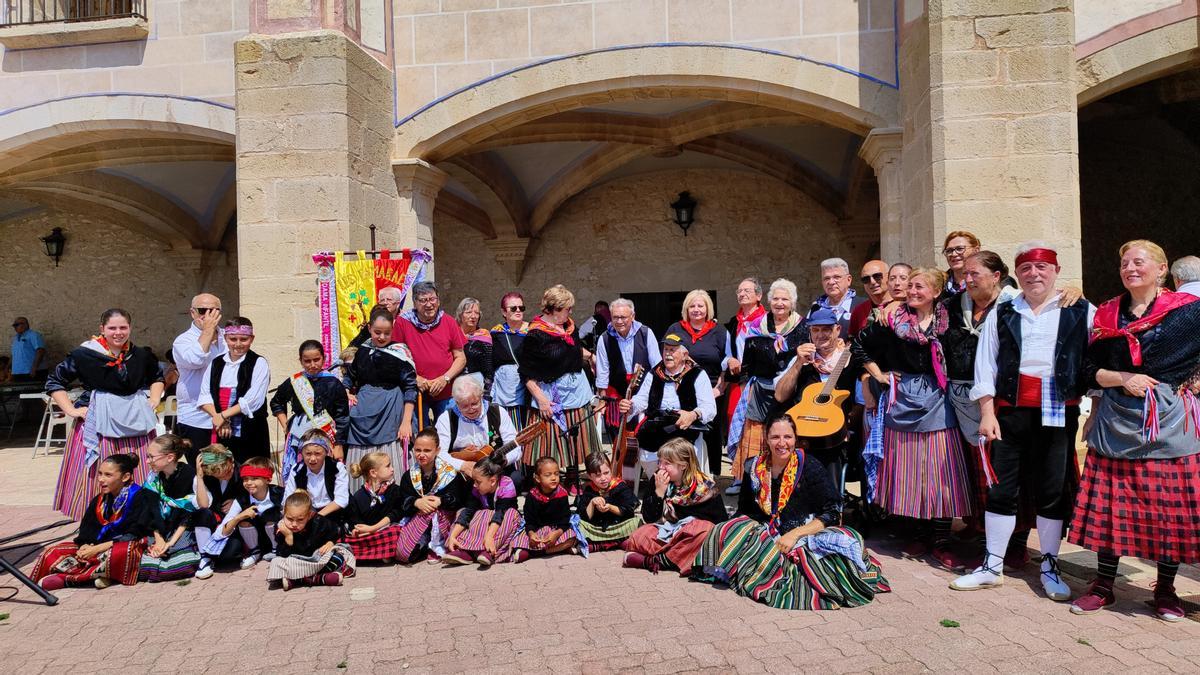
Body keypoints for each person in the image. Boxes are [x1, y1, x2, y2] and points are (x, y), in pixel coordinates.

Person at [950, 242, 1093, 601]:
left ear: (1055, 272)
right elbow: (987, 363)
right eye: (1027, 269)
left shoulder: (1079, 309)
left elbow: (1094, 359)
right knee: (1001, 487)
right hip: (1011, 411)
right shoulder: (1005, 311)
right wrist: (986, 412)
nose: (1034, 274)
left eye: (1042, 268)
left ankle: (1049, 566)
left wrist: (1097, 410)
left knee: (1051, 490)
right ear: (1018, 274)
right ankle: (992, 566)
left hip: (1059, 411)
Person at [1068, 240, 1200, 621]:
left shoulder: (1188, 312)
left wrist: (1193, 379)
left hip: (1170, 420)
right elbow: (1086, 370)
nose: (1130, 268)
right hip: (1116, 420)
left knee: (1169, 512)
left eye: (1139, 262)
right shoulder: (1107, 314)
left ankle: (1166, 589)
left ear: (1162, 271)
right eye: (1124, 262)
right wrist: (1121, 377)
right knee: (1112, 511)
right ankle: (1103, 586)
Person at [696, 415, 890, 610]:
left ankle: (767, 567)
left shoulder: (809, 466)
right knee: (725, 529)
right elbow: (745, 510)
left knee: (844, 543)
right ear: (766, 438)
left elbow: (831, 513)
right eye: (775, 437)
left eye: (787, 437)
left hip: (804, 533)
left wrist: (794, 534)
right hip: (765, 532)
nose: (782, 443)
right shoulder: (754, 467)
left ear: (795, 438)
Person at [853, 268, 973, 569]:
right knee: (909, 470)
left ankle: (942, 538)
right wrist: (878, 374)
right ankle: (918, 532)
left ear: (935, 292)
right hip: (902, 398)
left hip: (939, 397)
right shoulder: (891, 320)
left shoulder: (950, 320)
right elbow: (858, 345)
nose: (913, 291)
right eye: (911, 286)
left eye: (920, 287)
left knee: (941, 471)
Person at [49, 308, 165, 521]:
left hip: (135, 423)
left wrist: (154, 399)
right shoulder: (85, 355)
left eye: (123, 327)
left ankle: (139, 519)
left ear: (130, 328)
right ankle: (98, 521)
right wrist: (71, 410)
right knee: (101, 473)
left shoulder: (140, 355)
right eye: (112, 328)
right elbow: (55, 381)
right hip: (99, 424)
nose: (118, 333)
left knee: (137, 470)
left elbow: (157, 377)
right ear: (102, 329)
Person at [726, 278, 808, 494]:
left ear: (793, 302)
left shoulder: (803, 326)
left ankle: (785, 486)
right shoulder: (757, 327)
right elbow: (747, 361)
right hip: (760, 390)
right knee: (758, 440)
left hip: (790, 392)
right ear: (770, 301)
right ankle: (753, 486)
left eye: (785, 299)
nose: (780, 303)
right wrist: (745, 388)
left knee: (784, 436)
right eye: (776, 299)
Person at [34, 453, 161, 590]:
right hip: (97, 547)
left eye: (108, 475)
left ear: (126, 477)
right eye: (100, 474)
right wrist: (84, 545)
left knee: (123, 552)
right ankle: (96, 574)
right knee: (53, 551)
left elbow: (135, 533)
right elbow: (87, 529)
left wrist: (98, 548)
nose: (101, 479)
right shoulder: (100, 500)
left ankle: (68, 579)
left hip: (122, 544)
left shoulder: (142, 497)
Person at [520, 285, 603, 492]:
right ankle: (551, 482)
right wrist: (541, 399)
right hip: (552, 394)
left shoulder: (568, 328)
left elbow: (571, 351)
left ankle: (573, 478)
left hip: (577, 392)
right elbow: (527, 374)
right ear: (553, 309)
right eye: (567, 309)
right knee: (553, 442)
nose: (570, 313)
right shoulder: (535, 335)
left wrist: (590, 357)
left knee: (579, 439)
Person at [773, 308, 864, 490]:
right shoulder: (802, 359)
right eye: (815, 330)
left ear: (838, 329)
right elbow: (780, 395)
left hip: (837, 436)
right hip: (801, 432)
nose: (820, 335)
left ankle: (828, 509)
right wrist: (798, 363)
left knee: (830, 451)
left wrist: (847, 426)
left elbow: (861, 402)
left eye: (826, 329)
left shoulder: (850, 359)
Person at [622, 438, 728, 574]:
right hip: (668, 533)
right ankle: (670, 556)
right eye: (660, 461)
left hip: (691, 538)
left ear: (683, 465)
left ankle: (655, 561)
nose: (661, 467)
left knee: (704, 530)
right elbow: (649, 518)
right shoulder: (657, 480)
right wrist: (659, 493)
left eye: (667, 463)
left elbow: (719, 525)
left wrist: (687, 527)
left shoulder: (705, 488)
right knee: (640, 534)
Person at [624, 331, 718, 476]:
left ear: (684, 355)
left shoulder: (697, 374)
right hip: (657, 426)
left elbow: (709, 407)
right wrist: (631, 406)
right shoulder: (655, 373)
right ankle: (658, 484)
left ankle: (681, 488)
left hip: (684, 426)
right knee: (647, 453)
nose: (667, 354)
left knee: (680, 457)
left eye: (672, 350)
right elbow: (641, 400)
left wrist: (693, 414)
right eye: (666, 349)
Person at [345, 307, 418, 490]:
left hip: (390, 407)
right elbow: (349, 376)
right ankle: (359, 495)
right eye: (377, 332)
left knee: (389, 449)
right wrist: (346, 391)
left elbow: (410, 388)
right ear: (369, 328)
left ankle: (392, 498)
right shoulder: (362, 350)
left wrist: (406, 421)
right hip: (363, 408)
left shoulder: (400, 353)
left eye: (387, 333)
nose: (382, 337)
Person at [666, 289, 729, 476]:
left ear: (708, 308)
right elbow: (667, 357)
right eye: (692, 306)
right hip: (681, 389)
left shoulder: (719, 331)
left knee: (711, 435)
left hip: (712, 390)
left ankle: (711, 476)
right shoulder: (675, 329)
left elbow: (727, 362)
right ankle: (683, 474)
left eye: (700, 305)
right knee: (684, 434)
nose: (696, 309)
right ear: (686, 308)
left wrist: (719, 389)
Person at [196, 317, 271, 463]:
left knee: (249, 470)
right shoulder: (216, 363)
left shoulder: (258, 363)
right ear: (225, 338)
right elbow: (205, 396)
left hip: (250, 430)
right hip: (220, 428)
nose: (238, 344)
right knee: (219, 470)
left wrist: (223, 416)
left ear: (252, 339)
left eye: (243, 339)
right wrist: (220, 419)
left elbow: (253, 399)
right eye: (233, 339)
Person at [392, 281, 467, 428]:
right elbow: (395, 359)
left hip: (446, 392)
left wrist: (444, 379)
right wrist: (415, 378)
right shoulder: (402, 323)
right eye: (423, 300)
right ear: (414, 302)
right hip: (416, 392)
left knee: (449, 433)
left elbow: (461, 357)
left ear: (438, 300)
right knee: (421, 436)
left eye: (432, 299)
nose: (428, 304)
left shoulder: (449, 321)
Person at [271, 340, 350, 478]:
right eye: (307, 361)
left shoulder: (333, 383)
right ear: (301, 361)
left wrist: (338, 444)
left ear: (324, 358)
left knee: (325, 475)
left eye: (316, 360)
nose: (312, 365)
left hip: (326, 435)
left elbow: (342, 416)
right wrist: (285, 425)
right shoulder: (295, 381)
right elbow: (276, 402)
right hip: (299, 435)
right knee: (300, 474)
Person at [195, 456, 282, 576]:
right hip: (255, 540)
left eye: (255, 478)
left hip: (278, 538)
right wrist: (239, 517)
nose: (249, 483)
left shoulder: (280, 494)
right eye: (245, 479)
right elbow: (222, 531)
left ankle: (276, 550)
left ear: (267, 479)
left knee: (271, 516)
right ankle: (254, 552)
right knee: (243, 522)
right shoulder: (241, 499)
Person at [395, 429, 470, 564]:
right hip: (420, 518)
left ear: (437, 450)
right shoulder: (409, 476)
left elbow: (459, 499)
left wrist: (441, 501)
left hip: (445, 520)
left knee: (434, 513)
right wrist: (416, 502)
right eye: (418, 450)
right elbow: (402, 502)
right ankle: (422, 543)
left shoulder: (450, 473)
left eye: (427, 450)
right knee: (403, 553)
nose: (421, 455)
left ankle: (437, 546)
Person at [595, 298, 660, 446]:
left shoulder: (646, 333)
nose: (619, 321)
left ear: (633, 316)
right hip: (616, 394)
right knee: (618, 440)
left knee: (643, 438)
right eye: (615, 317)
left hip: (643, 392)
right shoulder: (604, 339)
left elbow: (657, 366)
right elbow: (602, 373)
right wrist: (602, 400)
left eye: (623, 317)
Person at [172, 293, 226, 463]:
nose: (208, 316)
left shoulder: (228, 337)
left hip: (227, 417)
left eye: (213, 311)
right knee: (205, 467)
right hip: (197, 419)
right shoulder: (183, 341)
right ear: (192, 313)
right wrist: (208, 331)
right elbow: (195, 359)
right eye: (203, 310)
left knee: (227, 469)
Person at [138, 434, 201, 582]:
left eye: (151, 457)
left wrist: (170, 543)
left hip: (182, 528)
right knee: (144, 559)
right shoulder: (153, 477)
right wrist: (159, 539)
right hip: (158, 527)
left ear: (170, 457)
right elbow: (151, 510)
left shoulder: (189, 476)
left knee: (184, 562)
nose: (147, 461)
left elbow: (188, 515)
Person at [434, 377, 522, 479]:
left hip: (495, 469)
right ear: (456, 403)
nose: (470, 409)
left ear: (481, 397)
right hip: (462, 472)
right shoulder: (446, 418)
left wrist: (503, 460)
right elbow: (439, 453)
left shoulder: (498, 412)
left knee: (515, 478)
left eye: (474, 404)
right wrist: (463, 465)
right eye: (464, 406)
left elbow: (515, 448)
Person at [266, 490, 355, 590]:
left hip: (318, 560)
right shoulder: (281, 527)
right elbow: (283, 554)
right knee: (276, 562)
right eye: (290, 519)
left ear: (309, 515)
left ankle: (298, 580)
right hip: (296, 562)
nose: (294, 524)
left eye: (300, 520)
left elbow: (337, 531)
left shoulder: (318, 520)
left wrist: (330, 542)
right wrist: (288, 537)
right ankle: (319, 578)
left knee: (341, 554)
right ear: (284, 514)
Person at [443, 455, 522, 567]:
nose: (474, 485)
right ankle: (465, 550)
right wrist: (453, 535)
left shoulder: (507, 485)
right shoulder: (476, 488)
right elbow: (468, 511)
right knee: (463, 512)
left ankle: (489, 552)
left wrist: (489, 537)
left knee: (510, 514)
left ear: (493, 481)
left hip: (502, 524)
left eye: (478, 482)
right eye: (474, 481)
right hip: (485, 524)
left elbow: (500, 513)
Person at [512, 457, 583, 563]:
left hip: (556, 530)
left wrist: (556, 533)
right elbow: (529, 521)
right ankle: (556, 549)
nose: (554, 478)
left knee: (573, 536)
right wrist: (532, 534)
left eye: (556, 473)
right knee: (518, 538)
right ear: (537, 478)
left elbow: (565, 520)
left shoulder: (562, 494)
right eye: (548, 475)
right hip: (538, 531)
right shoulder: (532, 496)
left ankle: (532, 553)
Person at [341, 451, 405, 563]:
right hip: (368, 535)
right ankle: (380, 553)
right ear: (373, 473)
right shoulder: (358, 496)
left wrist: (373, 528)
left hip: (384, 529)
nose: (392, 469)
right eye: (388, 466)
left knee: (396, 532)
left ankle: (373, 554)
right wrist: (357, 530)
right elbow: (354, 520)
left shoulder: (395, 490)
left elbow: (396, 513)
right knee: (345, 540)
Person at [575, 452, 641, 551]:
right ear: (589, 476)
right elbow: (583, 517)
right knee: (578, 524)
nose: (603, 478)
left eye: (606, 473)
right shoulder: (589, 490)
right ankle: (617, 543)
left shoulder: (620, 486)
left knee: (636, 522)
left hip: (618, 526)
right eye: (598, 475)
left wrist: (610, 507)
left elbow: (629, 509)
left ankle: (598, 546)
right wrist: (592, 503)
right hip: (597, 529)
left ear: (611, 470)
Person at [284, 429, 350, 522]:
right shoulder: (297, 470)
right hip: (305, 515)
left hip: (332, 513)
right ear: (302, 453)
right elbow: (288, 499)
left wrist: (317, 517)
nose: (313, 458)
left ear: (326, 452)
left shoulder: (336, 467)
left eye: (318, 453)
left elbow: (341, 500)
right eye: (308, 454)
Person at [490, 292, 531, 429]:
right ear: (503, 312)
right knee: (510, 427)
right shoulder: (497, 333)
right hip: (507, 390)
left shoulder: (533, 331)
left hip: (531, 386)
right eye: (513, 308)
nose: (518, 310)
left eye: (521, 308)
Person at [808, 258, 865, 333]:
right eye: (826, 278)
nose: (831, 282)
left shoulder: (863, 306)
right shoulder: (815, 308)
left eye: (836, 277)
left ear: (848, 280)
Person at [456, 297, 494, 396]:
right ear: (460, 315)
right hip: (453, 388)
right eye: (468, 312)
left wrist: (486, 393)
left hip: (476, 388)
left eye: (476, 313)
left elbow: (488, 368)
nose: (473, 316)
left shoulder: (484, 336)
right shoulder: (452, 335)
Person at [849, 260, 891, 338]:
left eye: (877, 276)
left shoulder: (901, 305)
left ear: (889, 277)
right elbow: (852, 340)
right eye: (866, 279)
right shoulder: (859, 310)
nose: (872, 281)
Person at [940, 231, 982, 299]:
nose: (954, 254)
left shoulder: (987, 281)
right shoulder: (939, 284)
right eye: (949, 251)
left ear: (976, 251)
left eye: (960, 249)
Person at [10, 316, 46, 382]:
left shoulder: (33, 335)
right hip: (18, 373)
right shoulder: (15, 338)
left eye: (17, 325)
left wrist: (34, 368)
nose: (15, 327)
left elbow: (40, 351)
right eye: (14, 325)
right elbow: (14, 355)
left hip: (32, 372)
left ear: (25, 325)